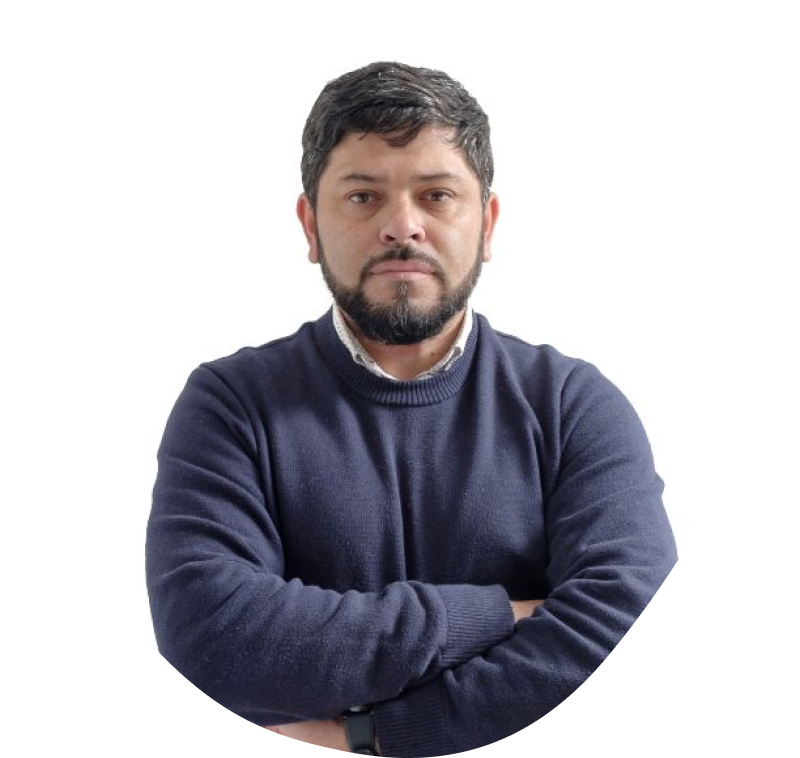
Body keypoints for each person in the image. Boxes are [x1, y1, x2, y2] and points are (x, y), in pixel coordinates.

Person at [146, 61, 678, 757]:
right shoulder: (230, 406)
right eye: (363, 196)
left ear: (487, 223)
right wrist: (501, 614)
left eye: (437, 195)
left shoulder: (574, 407)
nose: (402, 227)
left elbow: (632, 636)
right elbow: (213, 641)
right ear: (310, 224)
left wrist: (371, 734)